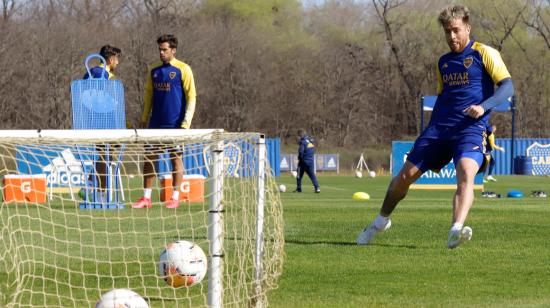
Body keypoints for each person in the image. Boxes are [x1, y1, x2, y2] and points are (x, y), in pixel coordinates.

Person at [356, 5, 514, 248]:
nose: (451, 36)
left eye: (456, 30)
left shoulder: (485, 53)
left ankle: (456, 229)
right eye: (447, 32)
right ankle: (380, 222)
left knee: (465, 171)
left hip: (470, 129)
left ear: (468, 28)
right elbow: (443, 97)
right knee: (405, 176)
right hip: (439, 130)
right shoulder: (443, 63)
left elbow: (507, 87)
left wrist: (484, 107)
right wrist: (431, 131)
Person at [132, 34, 197, 209]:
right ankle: (146, 198)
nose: (161, 53)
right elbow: (148, 95)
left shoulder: (184, 69)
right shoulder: (153, 69)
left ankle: (175, 197)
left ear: (173, 50)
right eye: (160, 49)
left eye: (165, 49)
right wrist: (144, 117)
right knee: (149, 158)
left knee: (175, 158)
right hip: (155, 123)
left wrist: (186, 123)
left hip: (175, 125)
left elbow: (192, 96)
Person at [82, 45, 124, 203]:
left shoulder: (89, 73)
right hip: (104, 124)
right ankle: (99, 193)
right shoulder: (103, 75)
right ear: (111, 59)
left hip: (92, 122)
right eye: (117, 59)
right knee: (105, 157)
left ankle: (91, 184)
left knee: (104, 157)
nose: (118, 63)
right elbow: (105, 102)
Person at [294, 129, 320, 193]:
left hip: (303, 162)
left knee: (299, 175)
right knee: (312, 175)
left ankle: (299, 188)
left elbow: (301, 152)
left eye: (298, 136)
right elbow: (313, 149)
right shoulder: (310, 141)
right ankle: (317, 188)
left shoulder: (303, 142)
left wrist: (300, 158)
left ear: (300, 135)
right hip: (310, 161)